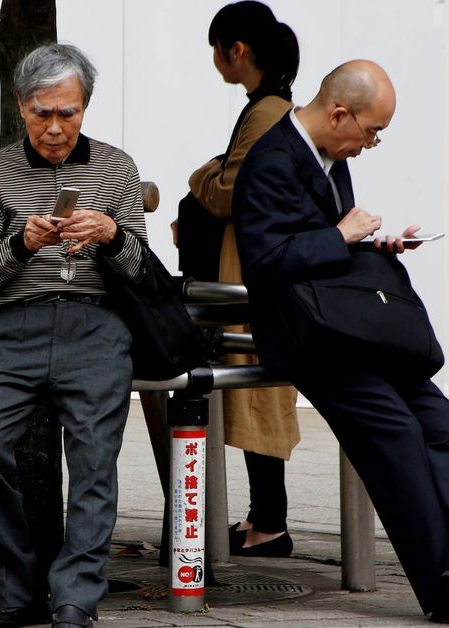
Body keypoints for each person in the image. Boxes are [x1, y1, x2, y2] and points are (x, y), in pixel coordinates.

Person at [232, 59, 449, 627]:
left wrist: (375, 244)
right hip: (311, 341)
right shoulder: (273, 161)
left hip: (349, 326)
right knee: (396, 431)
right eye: (372, 131)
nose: (371, 144)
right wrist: (338, 236)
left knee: (441, 418)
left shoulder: (330, 155)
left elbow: (327, 245)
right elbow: (265, 263)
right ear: (338, 114)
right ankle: (442, 587)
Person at [0, 43, 147, 628]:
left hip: (96, 326)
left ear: (85, 107)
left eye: (67, 113)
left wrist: (112, 235)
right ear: (21, 106)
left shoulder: (117, 168)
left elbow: (140, 269)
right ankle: (17, 588)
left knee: (94, 458)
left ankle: (75, 597)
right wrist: (23, 244)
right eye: (42, 113)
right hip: (15, 327)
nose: (55, 128)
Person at [185, 0, 301, 557]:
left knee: (257, 394)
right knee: (258, 394)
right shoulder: (273, 106)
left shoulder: (266, 111)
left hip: (251, 271)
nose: (214, 60)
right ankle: (264, 519)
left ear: (236, 50)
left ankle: (269, 524)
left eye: (216, 49)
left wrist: (200, 173)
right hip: (257, 267)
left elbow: (233, 188)